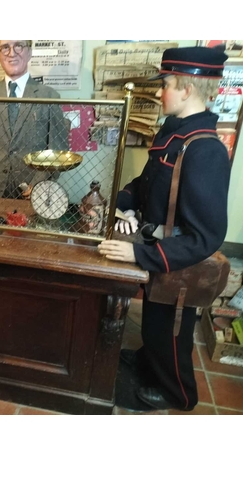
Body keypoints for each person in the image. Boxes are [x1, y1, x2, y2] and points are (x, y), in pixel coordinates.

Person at [98, 46, 231, 412]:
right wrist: (126, 204)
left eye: (166, 84)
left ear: (187, 89)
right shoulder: (174, 132)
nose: (160, 92)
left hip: (177, 262)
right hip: (158, 244)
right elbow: (147, 183)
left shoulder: (205, 150)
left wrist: (141, 254)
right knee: (155, 323)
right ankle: (148, 361)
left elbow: (206, 236)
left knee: (171, 329)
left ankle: (178, 392)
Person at [0, 40, 68, 198]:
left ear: (29, 52)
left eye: (18, 45)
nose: (12, 53)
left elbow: (57, 149)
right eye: (5, 47)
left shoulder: (49, 96)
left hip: (33, 192)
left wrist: (38, 184)